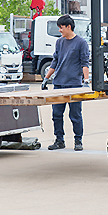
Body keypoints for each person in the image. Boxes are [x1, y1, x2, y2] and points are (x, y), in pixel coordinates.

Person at [41, 15, 90, 151]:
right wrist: (46, 78)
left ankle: (78, 140)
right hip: (59, 84)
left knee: (75, 114)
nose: (60, 31)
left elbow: (84, 63)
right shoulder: (59, 42)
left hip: (74, 84)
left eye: (61, 28)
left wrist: (86, 81)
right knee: (56, 114)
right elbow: (55, 61)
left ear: (68, 27)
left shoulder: (81, 43)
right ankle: (59, 140)